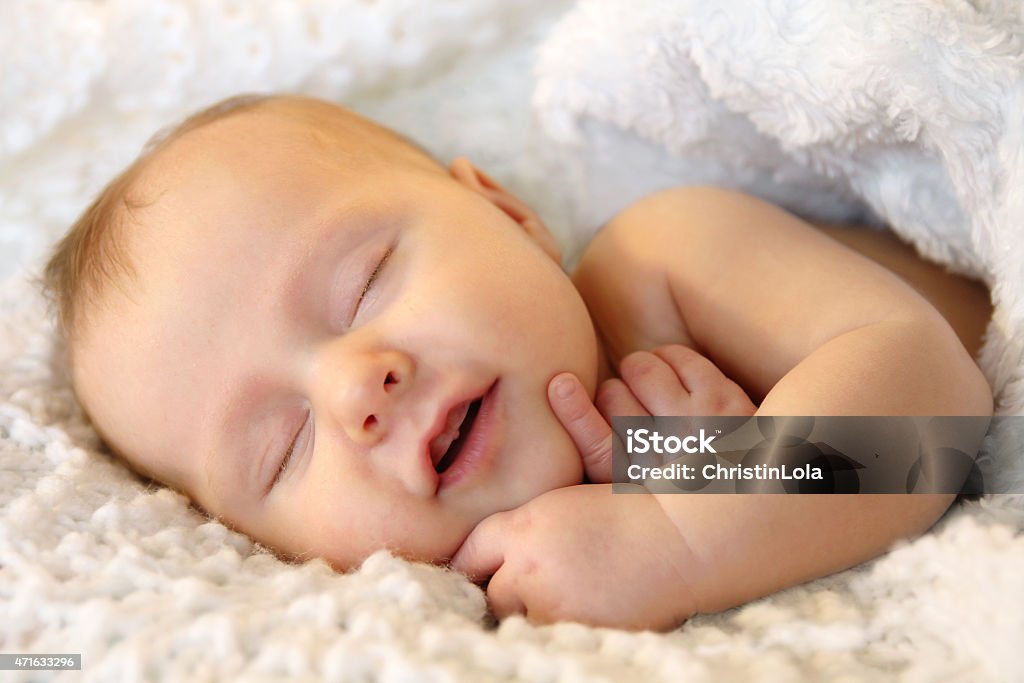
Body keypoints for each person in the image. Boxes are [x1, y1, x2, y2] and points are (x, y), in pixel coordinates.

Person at [42, 94, 993, 630]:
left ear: (506, 214)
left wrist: (680, 526)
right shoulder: (509, 596)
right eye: (281, 448)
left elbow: (936, 417)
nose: (350, 390)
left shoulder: (662, 264)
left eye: (364, 283)